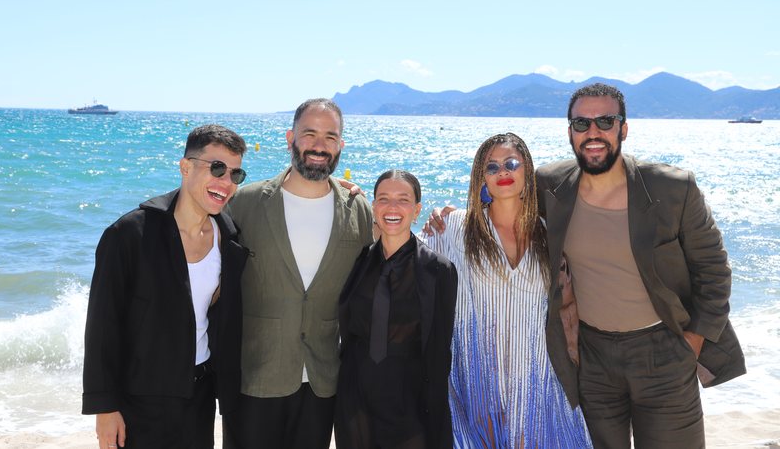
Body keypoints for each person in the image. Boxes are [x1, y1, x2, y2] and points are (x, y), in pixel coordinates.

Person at [535, 82, 746, 448]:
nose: (593, 132)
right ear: (570, 132)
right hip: (592, 356)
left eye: (605, 120)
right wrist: (451, 218)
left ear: (624, 129)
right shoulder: (550, 186)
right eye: (582, 124)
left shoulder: (671, 189)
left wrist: (692, 342)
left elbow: (713, 271)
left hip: (663, 351)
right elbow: (501, 204)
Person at [82, 124, 249, 449]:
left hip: (199, 397)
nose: (226, 183)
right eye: (217, 168)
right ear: (185, 167)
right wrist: (105, 407)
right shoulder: (130, 234)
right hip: (139, 401)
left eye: (235, 174)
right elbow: (102, 325)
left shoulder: (228, 236)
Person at [420, 133, 592, 447]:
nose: (503, 172)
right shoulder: (456, 227)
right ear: (480, 178)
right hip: (475, 384)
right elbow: (404, 258)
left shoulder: (549, 236)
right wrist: (369, 209)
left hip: (538, 385)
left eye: (512, 163)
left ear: (527, 171)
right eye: (492, 166)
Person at [223, 98, 374, 448]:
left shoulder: (358, 210)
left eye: (330, 136)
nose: (319, 146)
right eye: (310, 134)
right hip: (255, 377)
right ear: (291, 137)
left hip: (323, 382)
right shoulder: (244, 203)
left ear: (341, 145)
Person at [335, 170, 458, 449]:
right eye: (383, 199)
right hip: (356, 399)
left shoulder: (438, 270)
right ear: (374, 207)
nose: (392, 208)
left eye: (402, 200)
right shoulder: (358, 262)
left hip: (411, 401)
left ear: (416, 211)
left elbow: (440, 352)